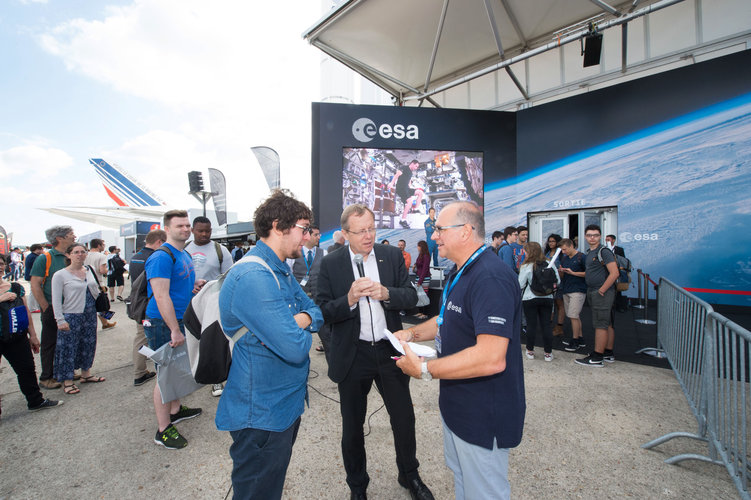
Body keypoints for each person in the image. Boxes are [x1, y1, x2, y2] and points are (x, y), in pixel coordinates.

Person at [393, 201, 525, 500]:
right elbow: (444, 320)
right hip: (458, 406)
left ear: (466, 231)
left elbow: (491, 358)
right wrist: (412, 332)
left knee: (484, 492)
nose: (434, 235)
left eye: (440, 229)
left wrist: (424, 369)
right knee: (465, 483)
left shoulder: (490, 277)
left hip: (483, 412)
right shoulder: (461, 271)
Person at [317, 204, 433, 500]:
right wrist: (350, 299)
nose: (368, 236)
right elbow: (323, 312)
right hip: (353, 354)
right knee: (353, 427)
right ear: (345, 233)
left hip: (389, 351)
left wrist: (387, 294)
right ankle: (358, 486)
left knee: (403, 418)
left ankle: (410, 475)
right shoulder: (331, 263)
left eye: (372, 228)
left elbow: (412, 297)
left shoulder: (391, 255)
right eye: (361, 231)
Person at [217, 189, 323, 500]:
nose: (306, 237)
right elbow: (295, 348)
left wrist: (296, 322)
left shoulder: (280, 270)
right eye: (303, 229)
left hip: (282, 406)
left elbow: (316, 312)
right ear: (278, 225)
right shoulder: (254, 275)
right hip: (261, 414)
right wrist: (298, 327)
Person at [144, 210, 204, 449]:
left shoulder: (183, 253)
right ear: (166, 229)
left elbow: (179, 285)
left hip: (180, 320)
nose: (186, 229)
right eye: (180, 226)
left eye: (188, 225)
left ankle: (176, 410)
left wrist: (194, 284)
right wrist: (174, 330)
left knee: (177, 369)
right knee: (164, 375)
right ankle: (162, 429)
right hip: (163, 324)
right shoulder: (161, 256)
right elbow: (160, 296)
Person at [0, 256, 62, 414]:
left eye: (1, 264)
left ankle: (35, 401)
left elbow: (26, 312)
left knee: (26, 369)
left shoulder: (14, 287)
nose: (0, 267)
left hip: (16, 337)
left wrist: (32, 335)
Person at [51, 243, 106, 395]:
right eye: (76, 252)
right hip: (71, 314)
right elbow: (56, 300)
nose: (80, 254)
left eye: (82, 251)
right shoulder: (60, 275)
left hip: (89, 313)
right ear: (68, 255)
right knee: (68, 348)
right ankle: (67, 381)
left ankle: (86, 374)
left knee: (88, 343)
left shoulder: (90, 270)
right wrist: (60, 320)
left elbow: (95, 288)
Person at [31, 225, 77, 389]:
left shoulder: (69, 255)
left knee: (68, 342)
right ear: (60, 238)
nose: (74, 236)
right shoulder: (45, 258)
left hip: (71, 308)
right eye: (71, 234)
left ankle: (65, 371)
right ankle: (47, 377)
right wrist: (45, 307)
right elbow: (35, 284)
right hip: (52, 308)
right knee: (50, 343)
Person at [575, 225, 619, 367]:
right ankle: (607, 353)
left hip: (601, 292)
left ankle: (597, 357)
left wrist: (602, 289)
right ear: (585, 236)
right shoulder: (590, 252)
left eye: (595, 235)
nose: (592, 238)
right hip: (595, 290)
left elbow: (614, 273)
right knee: (607, 323)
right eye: (589, 235)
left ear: (600, 236)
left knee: (600, 324)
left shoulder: (603, 252)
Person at [128, 229, 167, 387]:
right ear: (159, 242)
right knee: (145, 338)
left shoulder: (135, 257)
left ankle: (140, 371)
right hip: (149, 305)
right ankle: (140, 373)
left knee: (140, 337)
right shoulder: (154, 258)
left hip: (138, 304)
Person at [287, 225, 329, 356]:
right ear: (308, 235)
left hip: (318, 300)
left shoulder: (324, 253)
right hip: (299, 301)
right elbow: (288, 276)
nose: (318, 237)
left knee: (326, 333)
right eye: (316, 235)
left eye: (319, 235)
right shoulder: (294, 253)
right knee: (298, 335)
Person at [518, 242, 560, 361]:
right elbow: (558, 281)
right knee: (546, 325)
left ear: (529, 252)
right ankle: (548, 353)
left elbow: (520, 284)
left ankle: (530, 351)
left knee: (531, 325)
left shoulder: (526, 266)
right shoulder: (549, 263)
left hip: (529, 299)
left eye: (525, 251)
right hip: (547, 298)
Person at [557, 238, 587, 352]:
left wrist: (573, 273)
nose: (563, 252)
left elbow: (588, 273)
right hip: (567, 289)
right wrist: (562, 272)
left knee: (573, 315)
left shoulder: (582, 257)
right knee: (574, 315)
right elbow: (563, 275)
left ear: (571, 246)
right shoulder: (565, 258)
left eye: (564, 249)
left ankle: (575, 340)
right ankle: (580, 338)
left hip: (578, 289)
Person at [84, 238, 116, 329]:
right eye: (103, 245)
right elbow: (102, 270)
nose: (104, 246)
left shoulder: (85, 255)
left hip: (86, 282)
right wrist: (108, 270)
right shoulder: (101, 256)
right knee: (102, 304)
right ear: (99, 245)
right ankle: (105, 322)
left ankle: (105, 323)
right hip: (98, 283)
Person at [389, 159, 423, 229]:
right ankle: (403, 220)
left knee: (420, 193)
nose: (416, 168)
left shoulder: (410, 172)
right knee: (410, 201)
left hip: (406, 188)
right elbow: (397, 174)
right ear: (412, 163)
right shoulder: (404, 168)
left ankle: (415, 209)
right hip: (401, 188)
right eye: (416, 166)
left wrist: (410, 187)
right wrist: (392, 183)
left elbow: (409, 179)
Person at [544, 234, 564, 335]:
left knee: (559, 304)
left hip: (559, 281)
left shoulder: (561, 254)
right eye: (550, 241)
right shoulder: (547, 253)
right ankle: (549, 325)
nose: (551, 243)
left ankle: (559, 326)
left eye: (553, 241)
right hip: (548, 282)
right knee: (550, 304)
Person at [413, 240, 431, 320]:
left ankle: (425, 313)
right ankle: (420, 311)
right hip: (418, 277)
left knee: (424, 295)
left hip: (424, 278)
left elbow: (425, 269)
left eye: (418, 246)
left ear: (422, 247)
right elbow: (419, 266)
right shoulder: (420, 255)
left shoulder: (426, 256)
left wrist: (420, 281)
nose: (417, 247)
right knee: (418, 295)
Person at [24, 244, 44, 313]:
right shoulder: (34, 257)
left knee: (33, 291)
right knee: (33, 292)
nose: (42, 251)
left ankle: (34, 307)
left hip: (30, 275)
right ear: (37, 249)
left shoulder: (31, 256)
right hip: (32, 276)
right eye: (41, 249)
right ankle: (32, 308)